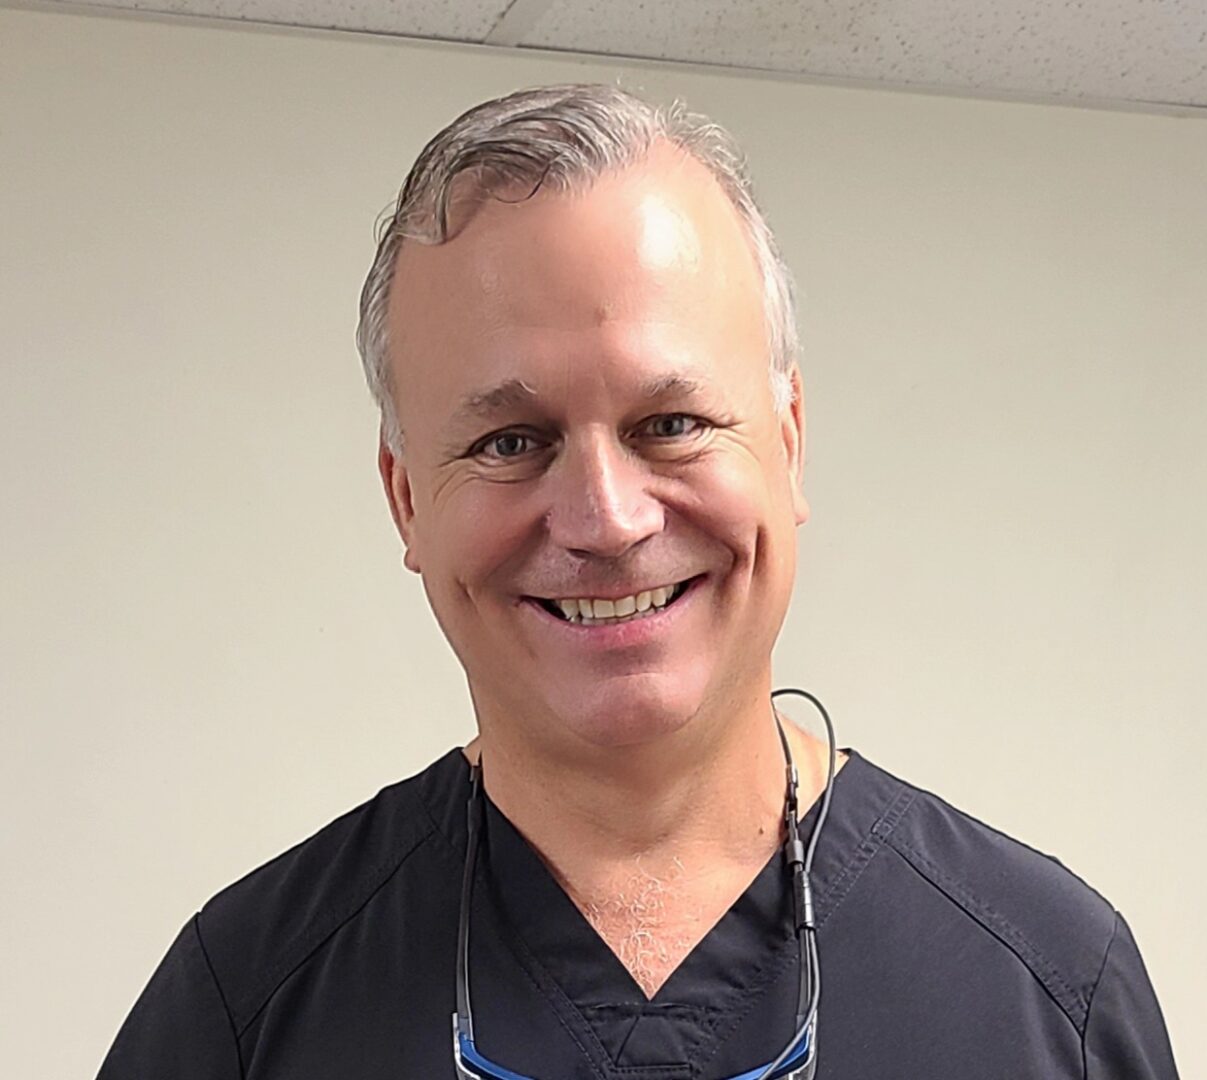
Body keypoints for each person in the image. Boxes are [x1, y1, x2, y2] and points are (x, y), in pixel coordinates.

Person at [98, 83, 1180, 1080]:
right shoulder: (244, 1010)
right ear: (405, 501)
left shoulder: (1046, 992)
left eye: (670, 423)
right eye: (511, 441)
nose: (606, 520)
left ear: (789, 445)